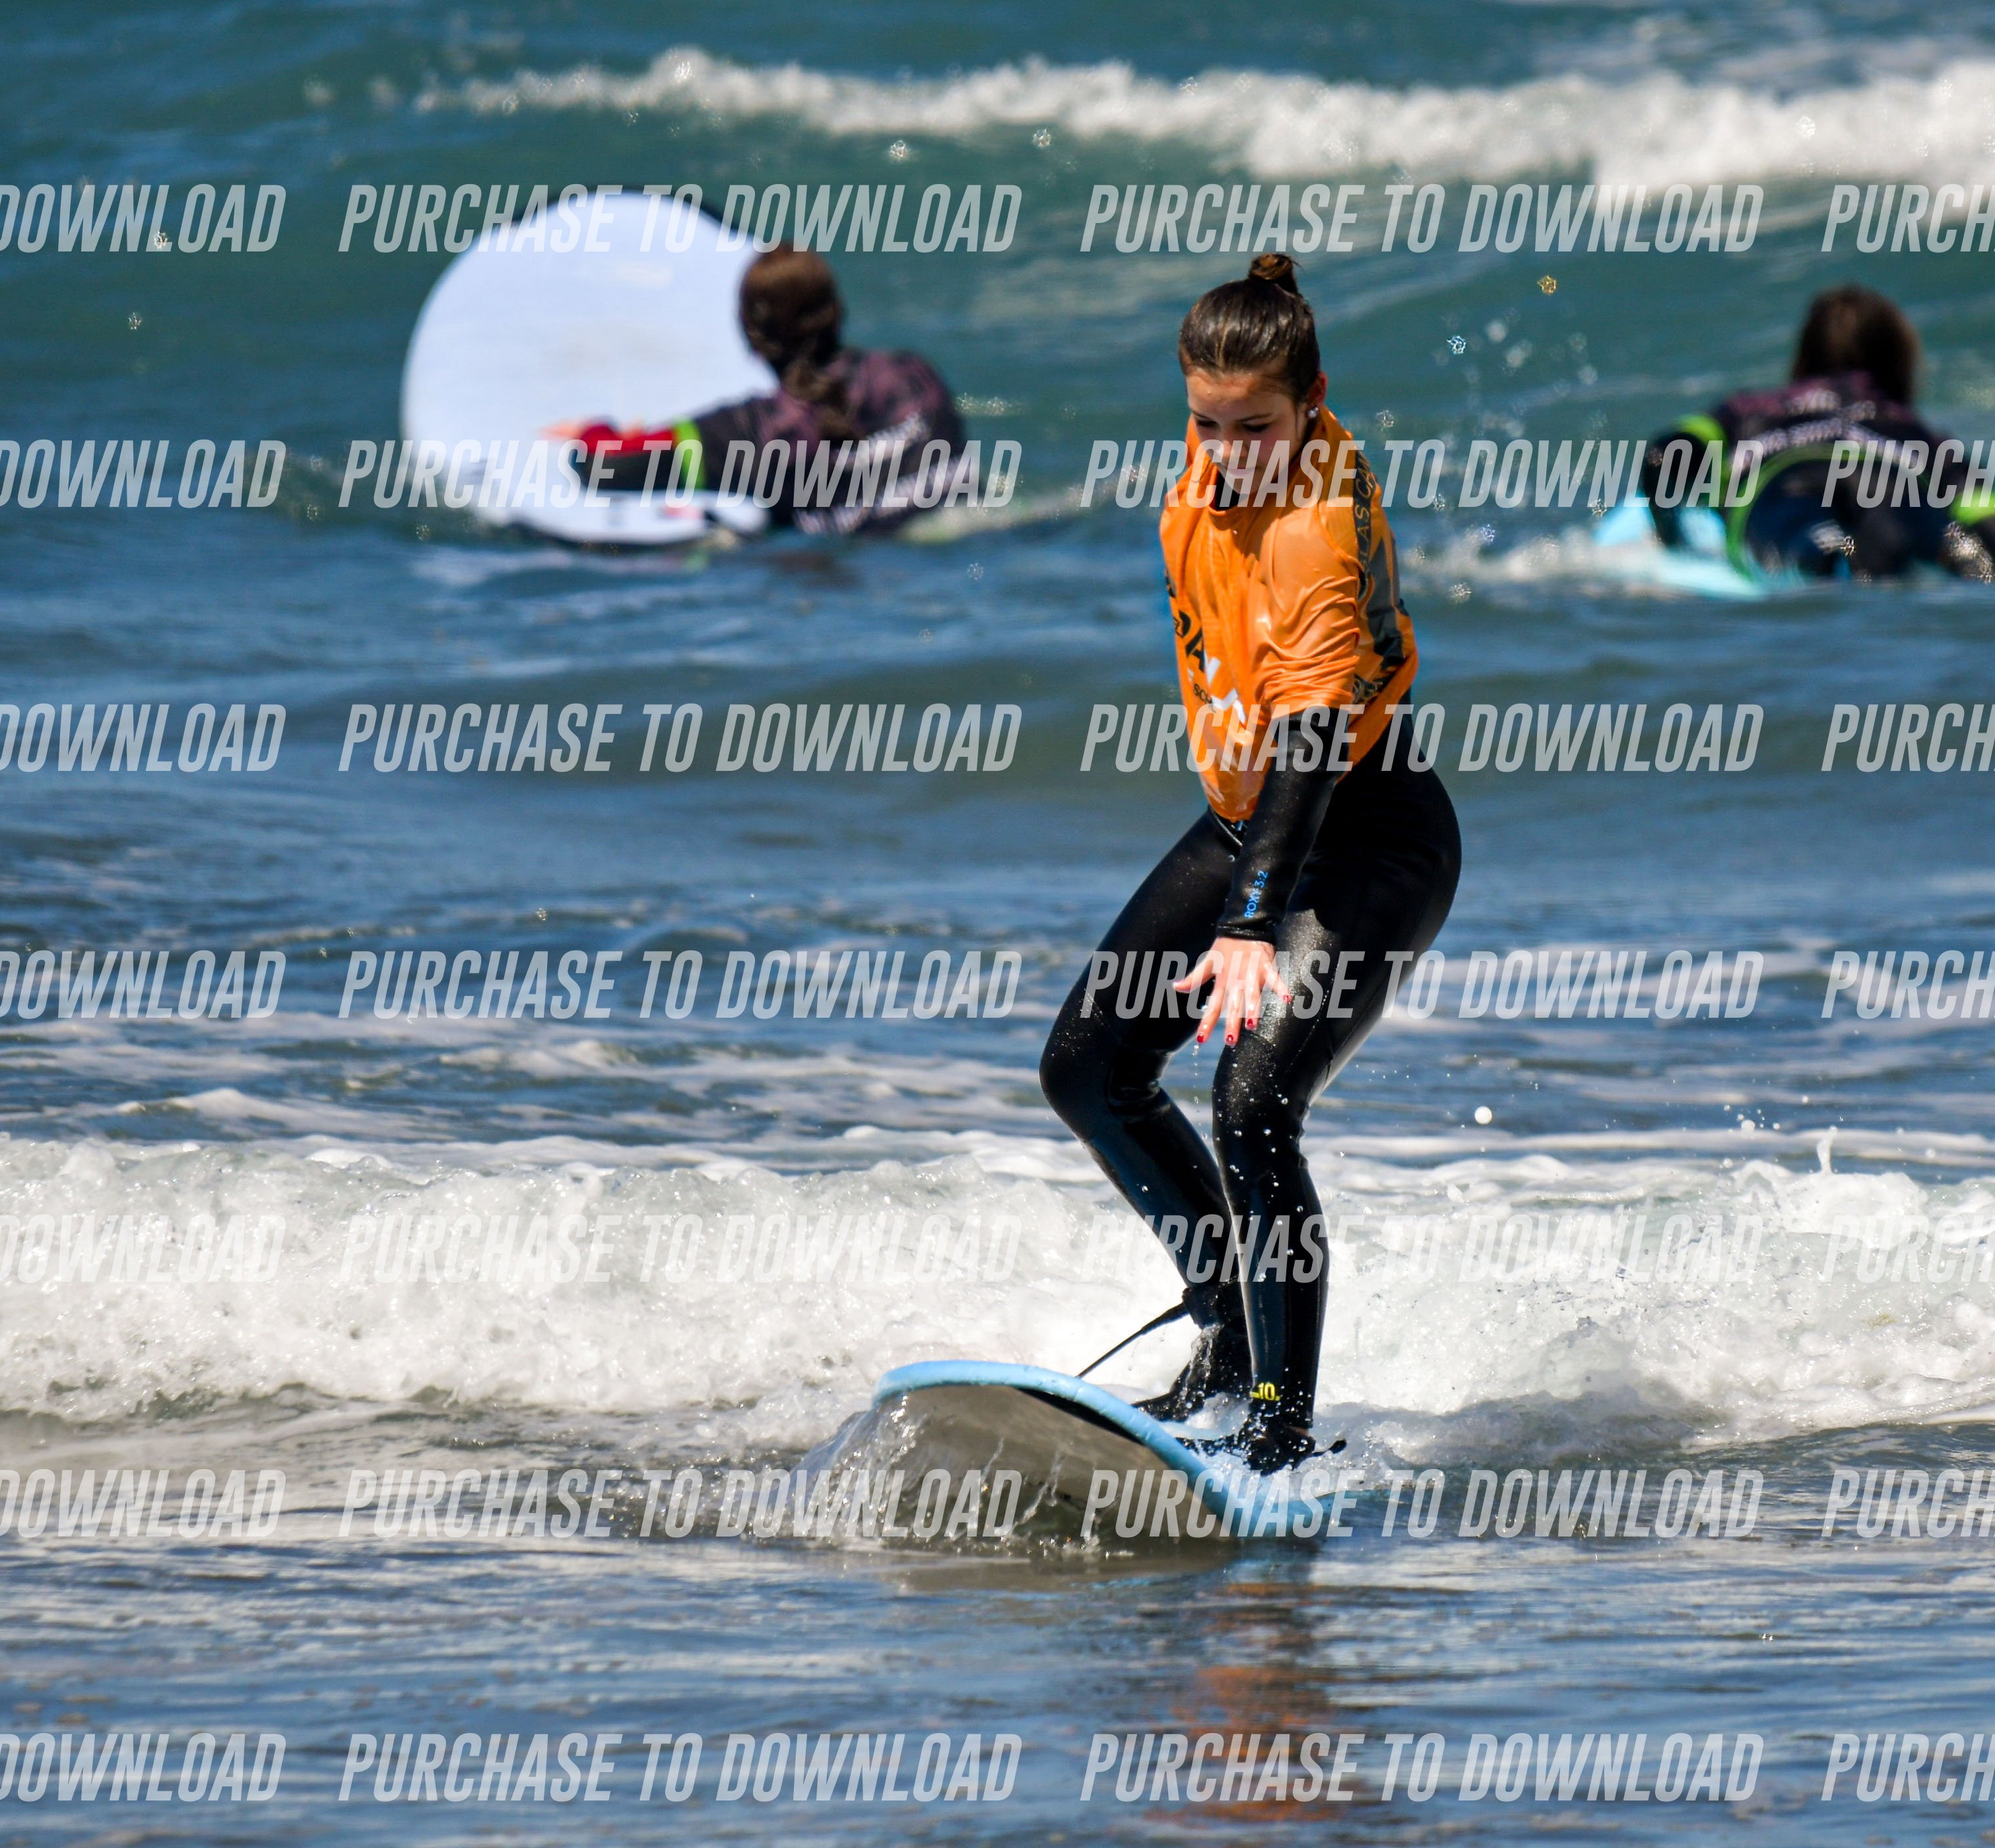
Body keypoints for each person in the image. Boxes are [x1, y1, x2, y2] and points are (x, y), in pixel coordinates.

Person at [1039, 254, 1463, 1475]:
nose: (1229, 454)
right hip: (1245, 820)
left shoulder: (1316, 525)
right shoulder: (1227, 447)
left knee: (1253, 1104)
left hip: (1368, 833)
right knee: (1088, 1069)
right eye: (1207, 425)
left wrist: (1249, 923)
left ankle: (1281, 1424)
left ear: (1313, 402)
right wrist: (1244, 892)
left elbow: (1316, 739)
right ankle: (1229, 1329)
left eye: (1256, 428)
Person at [1641, 284, 1995, 581]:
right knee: (1916, 551)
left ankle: (1837, 559)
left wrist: (1671, 541)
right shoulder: (1918, 432)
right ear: (1899, 366)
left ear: (1804, 356)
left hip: (1787, 484)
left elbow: (1665, 457)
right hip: (1894, 483)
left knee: (1822, 553)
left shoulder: (1749, 409)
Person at [567, 244, 965, 534]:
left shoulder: (748, 432)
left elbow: (605, 466)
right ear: (837, 311)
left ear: (750, 335)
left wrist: (591, 430)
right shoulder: (917, 376)